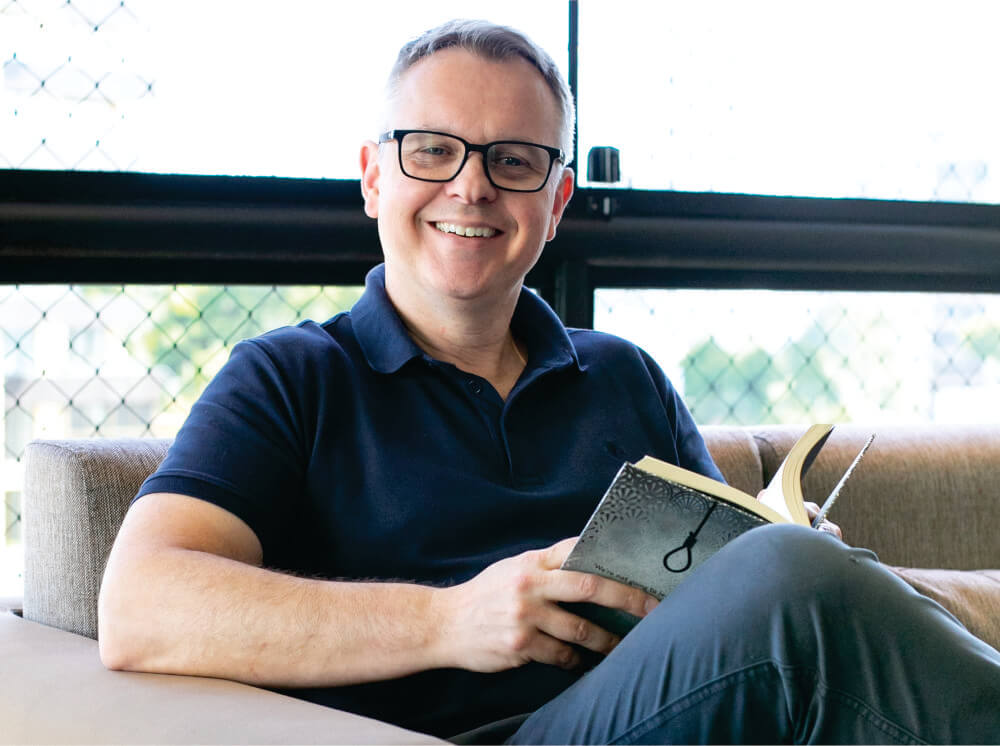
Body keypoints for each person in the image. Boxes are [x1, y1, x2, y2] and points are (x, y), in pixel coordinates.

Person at [98, 19, 1000, 744]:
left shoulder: (622, 375)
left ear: (557, 202)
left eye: (515, 160)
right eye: (432, 150)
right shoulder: (291, 377)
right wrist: (452, 621)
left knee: (797, 573)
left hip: (680, 715)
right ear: (373, 179)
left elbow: (723, 591)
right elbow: (139, 607)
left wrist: (787, 559)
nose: (472, 187)